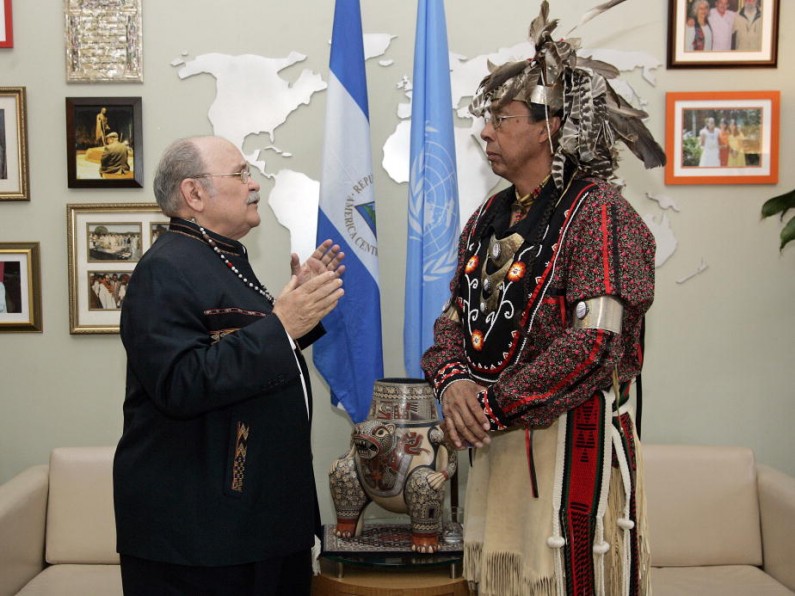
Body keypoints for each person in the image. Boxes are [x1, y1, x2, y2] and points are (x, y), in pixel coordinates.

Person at [421, 2, 663, 594]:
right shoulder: (488, 217)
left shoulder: (601, 215)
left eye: (501, 119)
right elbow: (454, 318)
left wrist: (493, 408)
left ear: (549, 126)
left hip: (568, 445)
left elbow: (593, 347)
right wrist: (453, 382)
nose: (486, 132)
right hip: (497, 442)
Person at [113, 135, 345, 595]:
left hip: (257, 526)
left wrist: (299, 311)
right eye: (240, 174)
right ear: (194, 194)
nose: (253, 184)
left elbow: (245, 358)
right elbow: (181, 384)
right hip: (201, 539)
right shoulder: (165, 269)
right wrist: (281, 325)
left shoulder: (219, 260)